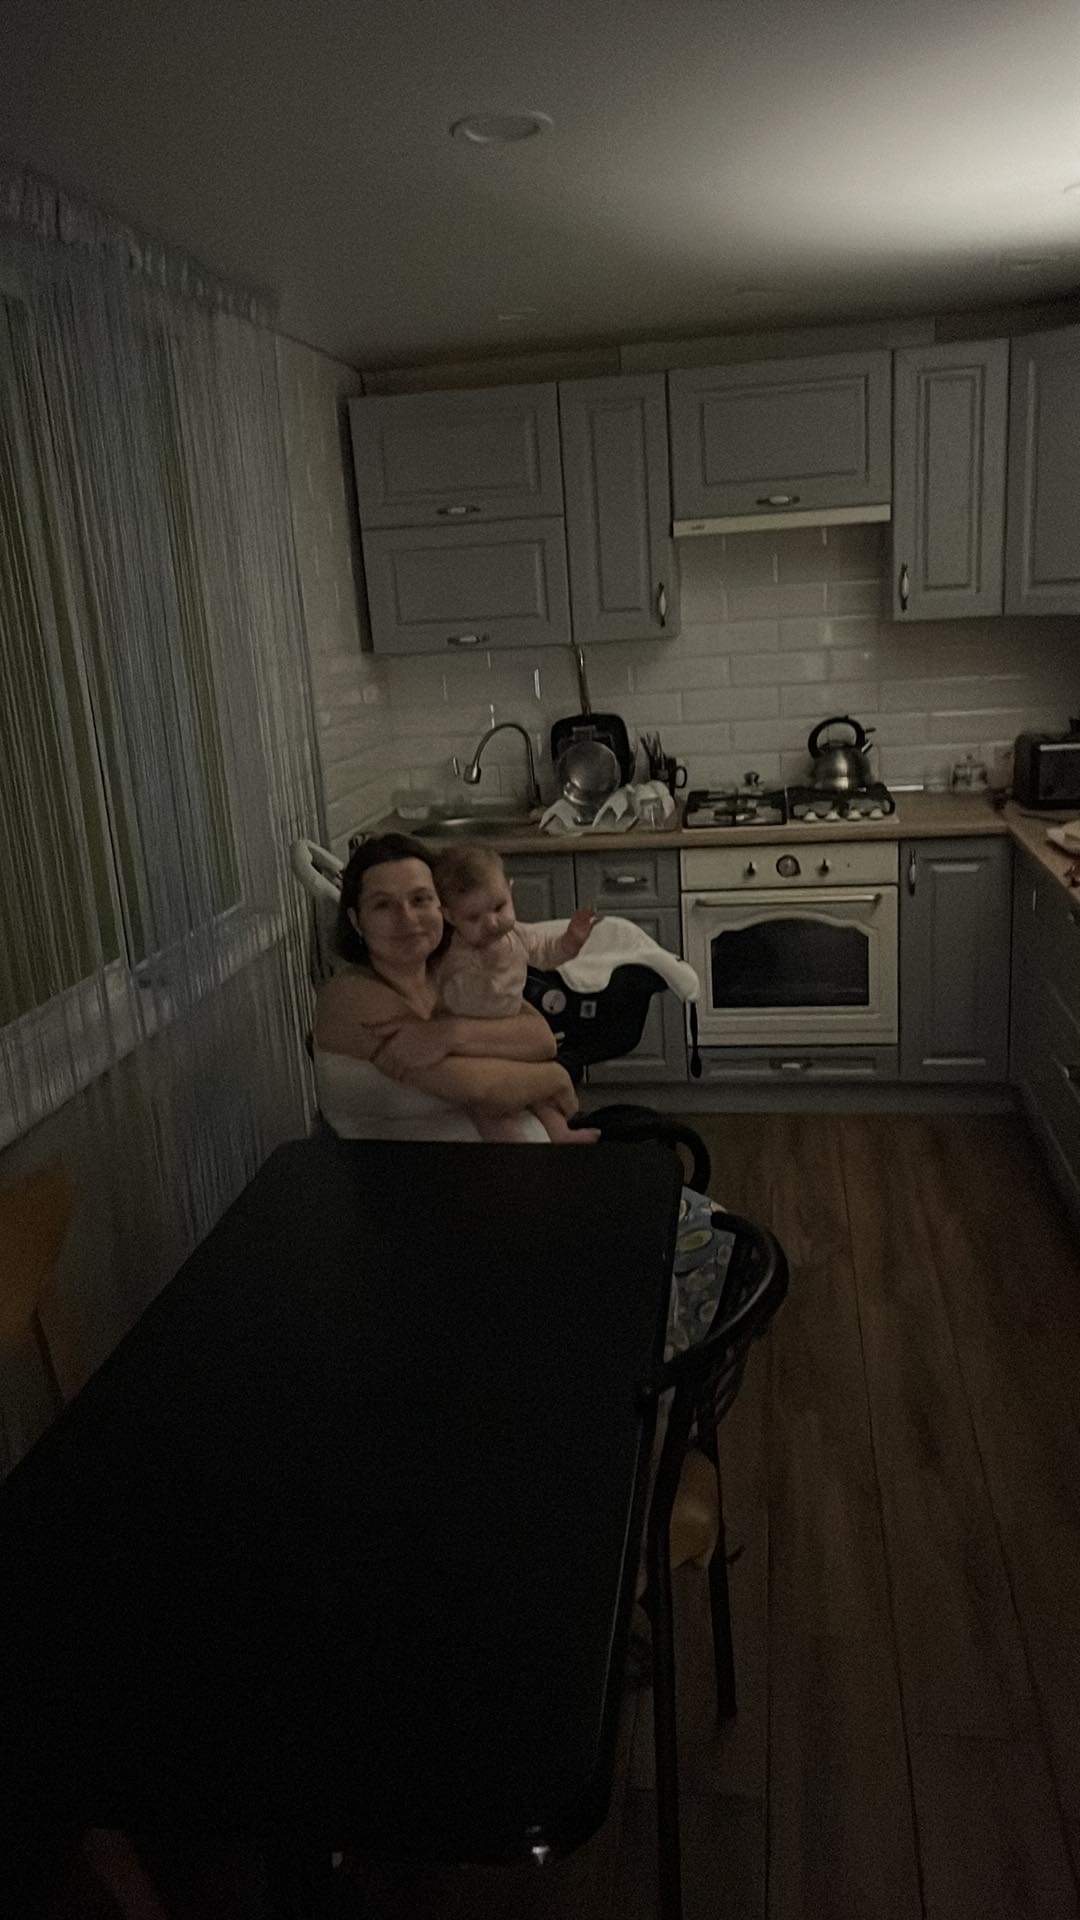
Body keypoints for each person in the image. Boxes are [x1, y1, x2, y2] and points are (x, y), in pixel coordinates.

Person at [312, 833, 588, 1144]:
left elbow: (541, 1039)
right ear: (357, 921)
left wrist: (447, 1034)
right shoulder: (350, 996)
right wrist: (555, 1078)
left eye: (420, 899)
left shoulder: (451, 970)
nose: (407, 918)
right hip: (398, 1180)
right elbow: (480, 1088)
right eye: (383, 905)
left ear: (444, 908)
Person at [431, 842, 601, 1146]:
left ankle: (561, 1133)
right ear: (449, 916)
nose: (492, 923)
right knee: (491, 1110)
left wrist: (572, 940)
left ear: (510, 891)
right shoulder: (453, 954)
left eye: (499, 907)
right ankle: (514, 1152)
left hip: (509, 1036)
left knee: (542, 1092)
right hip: (472, 1047)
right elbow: (440, 993)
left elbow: (547, 953)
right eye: (474, 918)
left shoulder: (516, 935)